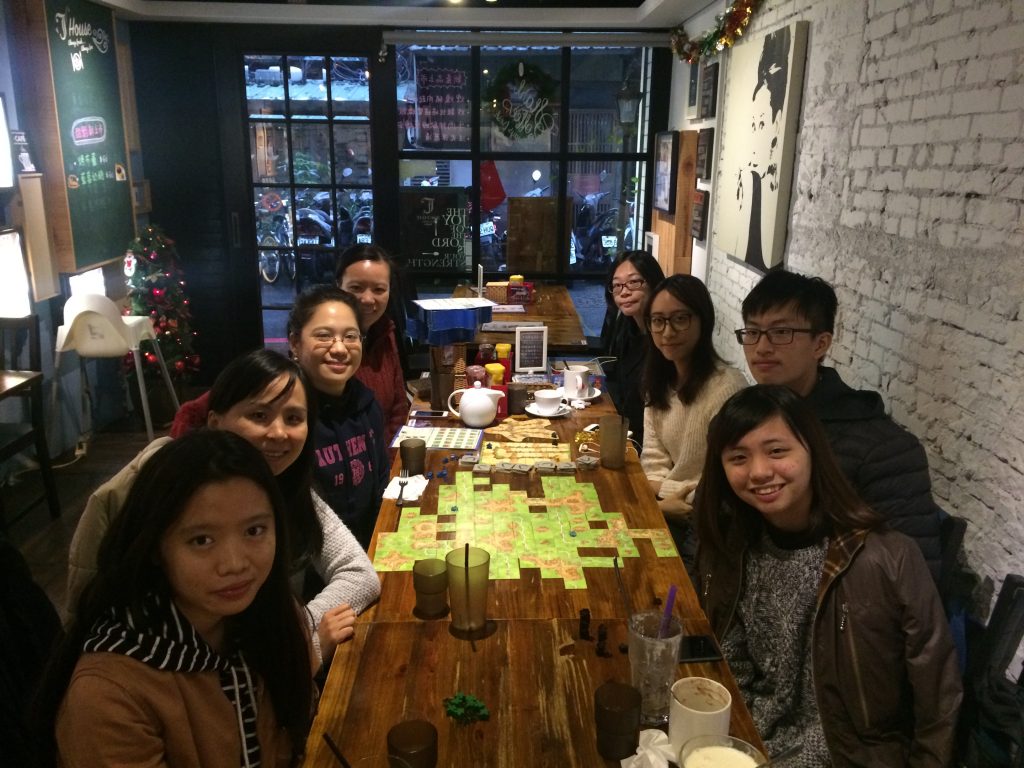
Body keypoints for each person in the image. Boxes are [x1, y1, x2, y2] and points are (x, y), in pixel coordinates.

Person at [695, 385, 962, 766]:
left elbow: (937, 695)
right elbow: (731, 663)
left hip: (849, 756)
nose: (759, 472)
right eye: (738, 457)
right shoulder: (732, 548)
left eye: (777, 451)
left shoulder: (886, 558)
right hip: (747, 740)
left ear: (813, 451)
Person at [69, 349, 380, 666]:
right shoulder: (162, 493)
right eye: (259, 416)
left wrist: (302, 629)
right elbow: (105, 623)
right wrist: (305, 646)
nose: (278, 432)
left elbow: (359, 574)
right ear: (215, 422)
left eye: (293, 418)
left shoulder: (287, 486)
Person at [37, 430, 314, 767]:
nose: (234, 564)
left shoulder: (271, 618)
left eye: (254, 531)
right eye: (201, 540)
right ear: (155, 546)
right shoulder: (108, 694)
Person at [737, 269, 944, 578]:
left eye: (781, 332)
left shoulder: (883, 449)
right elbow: (711, 518)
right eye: (752, 332)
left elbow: (909, 576)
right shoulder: (739, 421)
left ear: (820, 344)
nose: (761, 347)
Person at [638, 275, 747, 563]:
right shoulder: (659, 381)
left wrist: (665, 496)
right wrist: (663, 500)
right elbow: (653, 458)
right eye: (658, 321)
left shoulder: (727, 388)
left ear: (703, 321)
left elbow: (727, 482)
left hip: (704, 522)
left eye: (680, 319)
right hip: (668, 506)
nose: (668, 331)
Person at [288, 285, 389, 550]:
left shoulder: (367, 404)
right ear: (295, 343)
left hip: (370, 550)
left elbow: (381, 485)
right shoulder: (285, 416)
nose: (340, 349)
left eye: (351, 336)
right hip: (311, 561)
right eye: (324, 336)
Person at [336, 244, 410, 442]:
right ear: (338, 286)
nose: (368, 299)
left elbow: (399, 406)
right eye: (356, 288)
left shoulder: (384, 330)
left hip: (385, 454)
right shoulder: (331, 346)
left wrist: (394, 454)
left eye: (379, 289)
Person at [600, 250, 665, 447]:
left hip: (649, 445)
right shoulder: (627, 328)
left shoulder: (665, 341)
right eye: (617, 285)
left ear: (654, 283)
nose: (625, 292)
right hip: (625, 434)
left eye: (634, 282)